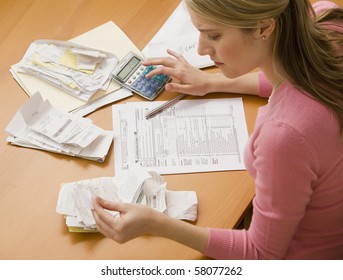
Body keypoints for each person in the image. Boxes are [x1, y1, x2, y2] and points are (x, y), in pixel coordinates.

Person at [93, 0, 343, 259]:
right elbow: (296, 75)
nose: (201, 49)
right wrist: (212, 82)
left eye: (214, 35)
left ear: (263, 28)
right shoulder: (327, 21)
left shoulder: (284, 136)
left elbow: (261, 254)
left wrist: (156, 224)